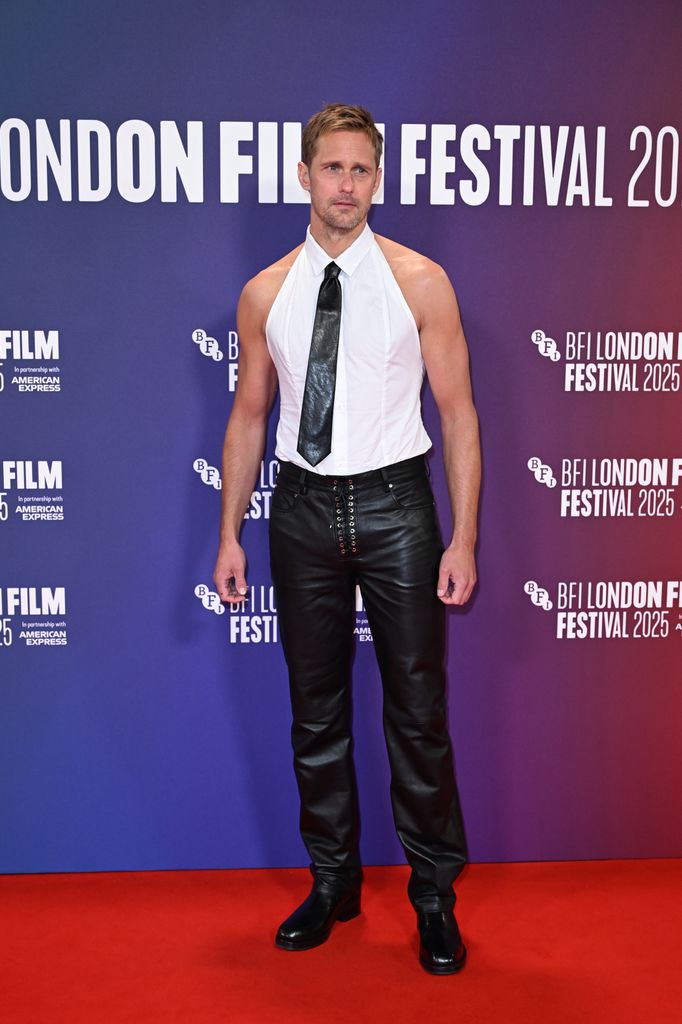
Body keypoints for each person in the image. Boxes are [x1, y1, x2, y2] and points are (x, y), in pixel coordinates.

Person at [213, 104, 480, 975]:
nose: (348, 186)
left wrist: (463, 537)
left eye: (362, 170)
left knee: (418, 710)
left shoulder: (421, 281)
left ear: (379, 178)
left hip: (400, 509)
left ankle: (434, 896)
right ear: (305, 176)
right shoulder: (266, 292)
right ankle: (333, 882)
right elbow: (250, 416)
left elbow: (459, 415)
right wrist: (231, 536)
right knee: (315, 711)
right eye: (333, 169)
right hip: (298, 513)